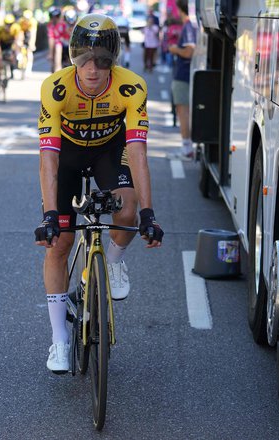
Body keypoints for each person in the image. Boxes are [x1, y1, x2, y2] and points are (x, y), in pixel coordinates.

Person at [34, 13, 164, 374]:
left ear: (114, 61)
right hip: (69, 157)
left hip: (110, 151)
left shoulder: (132, 86)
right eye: (84, 60)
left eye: (102, 61)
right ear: (73, 57)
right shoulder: (55, 88)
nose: (92, 70)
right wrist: (49, 216)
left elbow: (138, 152)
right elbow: (49, 158)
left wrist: (149, 214)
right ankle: (59, 339)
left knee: (127, 210)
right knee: (58, 243)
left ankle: (115, 262)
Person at [168, 0, 196, 159]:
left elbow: (189, 51)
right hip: (187, 74)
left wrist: (174, 49)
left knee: (183, 112)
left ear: (181, 10)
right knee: (184, 111)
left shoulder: (188, 25)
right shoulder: (192, 25)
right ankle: (188, 147)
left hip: (183, 74)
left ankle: (186, 149)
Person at [0, 13, 23, 94]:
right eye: (7, 24)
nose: (8, 26)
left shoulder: (16, 28)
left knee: (12, 58)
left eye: (10, 24)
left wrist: (16, 53)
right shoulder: (0, 30)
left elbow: (17, 41)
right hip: (3, 45)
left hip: (10, 46)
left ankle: (12, 71)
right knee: (0, 65)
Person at [46, 6, 69, 73]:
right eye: (53, 17)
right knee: (57, 45)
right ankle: (57, 67)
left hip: (66, 43)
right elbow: (51, 38)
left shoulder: (63, 24)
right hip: (57, 45)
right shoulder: (50, 25)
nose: (54, 19)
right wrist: (50, 53)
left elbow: (68, 34)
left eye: (56, 16)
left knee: (58, 45)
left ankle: (58, 66)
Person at [18, 9, 38, 74]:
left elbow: (33, 33)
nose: (26, 20)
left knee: (29, 51)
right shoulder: (21, 21)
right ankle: (19, 59)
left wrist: (32, 44)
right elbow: (19, 32)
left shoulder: (33, 22)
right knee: (19, 46)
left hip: (29, 33)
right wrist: (19, 41)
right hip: (23, 32)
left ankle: (29, 67)